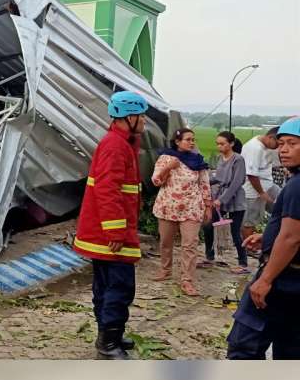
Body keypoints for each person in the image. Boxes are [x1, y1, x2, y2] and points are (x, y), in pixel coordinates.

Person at [73, 90, 147, 360]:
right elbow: (108, 190)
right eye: (142, 117)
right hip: (112, 234)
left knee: (107, 287)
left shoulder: (121, 143)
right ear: (130, 117)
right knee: (118, 288)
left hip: (109, 231)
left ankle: (109, 333)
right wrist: (115, 230)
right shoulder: (115, 146)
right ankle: (107, 343)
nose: (145, 121)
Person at [227, 117, 300, 360]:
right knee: (289, 349)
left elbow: (292, 238)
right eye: (280, 144)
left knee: (244, 346)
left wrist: (266, 279)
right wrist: (268, 236)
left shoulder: (297, 186)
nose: (284, 150)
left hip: (281, 279)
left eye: (292, 143)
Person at [151, 128, 212, 296]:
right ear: (177, 142)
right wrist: (168, 167)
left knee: (190, 244)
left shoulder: (198, 161)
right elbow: (156, 181)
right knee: (165, 241)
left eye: (193, 139)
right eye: (188, 139)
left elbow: (204, 185)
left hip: (192, 207)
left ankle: (187, 280)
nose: (192, 143)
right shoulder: (166, 158)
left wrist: (208, 206)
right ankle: (165, 269)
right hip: (168, 206)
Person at [200, 131, 249, 274]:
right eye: (218, 144)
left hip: (234, 198)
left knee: (235, 231)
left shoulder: (238, 159)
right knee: (208, 224)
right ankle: (209, 257)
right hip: (219, 196)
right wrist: (203, 183)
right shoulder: (220, 158)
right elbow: (218, 178)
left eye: (222, 143)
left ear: (231, 144)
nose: (219, 146)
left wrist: (222, 200)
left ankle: (243, 263)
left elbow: (236, 182)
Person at [241, 128, 280, 243]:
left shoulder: (266, 146)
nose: (277, 147)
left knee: (283, 208)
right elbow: (252, 175)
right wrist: (261, 193)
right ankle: (249, 246)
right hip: (253, 190)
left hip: (269, 184)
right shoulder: (254, 148)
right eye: (277, 143)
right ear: (270, 138)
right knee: (250, 220)